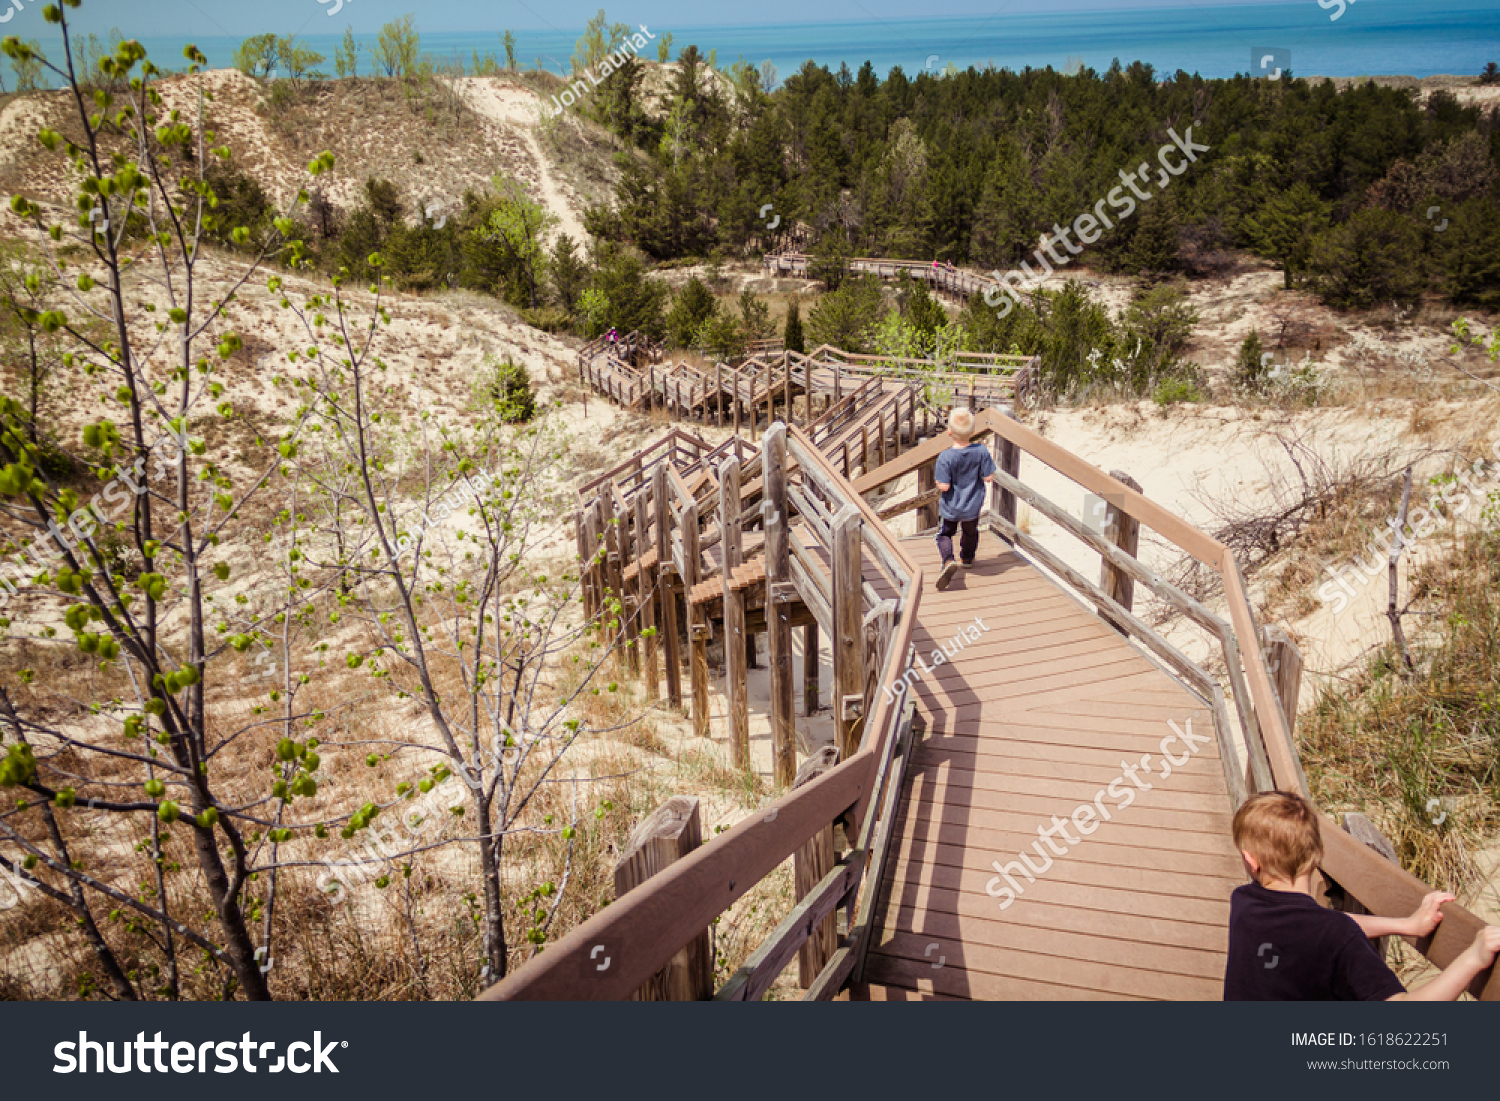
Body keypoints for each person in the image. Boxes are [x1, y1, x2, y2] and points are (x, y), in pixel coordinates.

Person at [1224, 791, 1500, 1000]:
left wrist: (1404, 925)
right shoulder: (1332, 934)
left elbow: (1321, 925)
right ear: (1317, 855)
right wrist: (1473, 957)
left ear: (1251, 861)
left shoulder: (1244, 903)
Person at [933, 407, 995, 591]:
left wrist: (938, 482)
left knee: (944, 534)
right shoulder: (981, 451)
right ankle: (967, 558)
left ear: (949, 432)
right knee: (970, 532)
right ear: (973, 432)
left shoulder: (945, 457)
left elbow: (944, 485)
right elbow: (988, 477)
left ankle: (948, 560)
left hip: (951, 507)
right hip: (972, 505)